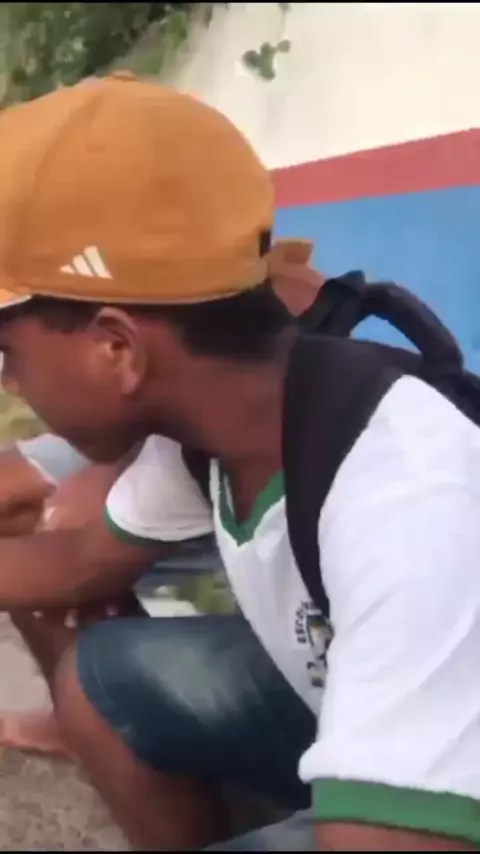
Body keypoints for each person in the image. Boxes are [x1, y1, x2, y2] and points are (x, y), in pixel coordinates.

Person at [0, 73, 474, 851]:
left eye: (6, 356)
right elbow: (79, 558)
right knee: (99, 677)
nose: (11, 385)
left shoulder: (403, 495)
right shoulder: (220, 426)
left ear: (117, 348)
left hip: (450, 790)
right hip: (342, 696)